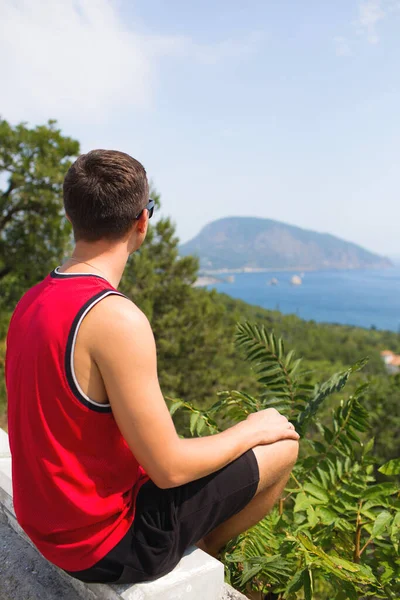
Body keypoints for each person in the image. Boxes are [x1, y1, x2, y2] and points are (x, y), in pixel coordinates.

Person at [5, 149, 299, 584]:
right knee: (283, 445)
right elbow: (170, 468)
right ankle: (200, 552)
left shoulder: (32, 300)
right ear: (141, 221)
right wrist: (253, 428)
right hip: (106, 546)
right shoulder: (114, 318)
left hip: (48, 526)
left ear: (72, 217)